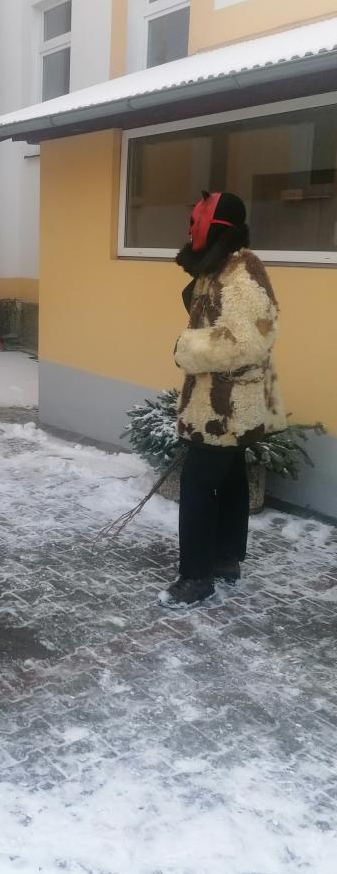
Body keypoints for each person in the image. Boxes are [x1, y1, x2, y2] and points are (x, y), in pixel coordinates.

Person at [159, 191, 287, 609]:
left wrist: (187, 347)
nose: (189, 229)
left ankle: (196, 577)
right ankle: (226, 559)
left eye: (196, 222)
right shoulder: (220, 268)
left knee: (198, 485)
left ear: (216, 229)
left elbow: (248, 341)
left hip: (225, 407)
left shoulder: (242, 275)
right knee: (229, 478)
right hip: (221, 402)